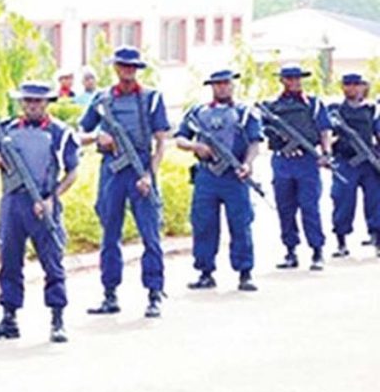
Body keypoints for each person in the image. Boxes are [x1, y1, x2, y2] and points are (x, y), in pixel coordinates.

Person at [0, 81, 80, 343]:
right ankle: (9, 318)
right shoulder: (5, 129)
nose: (32, 105)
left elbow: (72, 171)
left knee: (52, 262)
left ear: (47, 103)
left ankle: (57, 320)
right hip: (13, 202)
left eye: (37, 101)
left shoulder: (60, 133)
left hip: (44, 202)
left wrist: (52, 198)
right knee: (9, 261)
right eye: (28, 101)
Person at [78, 46, 170, 318]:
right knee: (109, 235)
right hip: (113, 171)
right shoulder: (101, 99)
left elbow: (162, 140)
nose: (128, 71)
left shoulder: (152, 98)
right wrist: (98, 138)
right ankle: (110, 294)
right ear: (116, 68)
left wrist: (148, 175)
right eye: (123, 66)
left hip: (140, 167)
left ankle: (154, 293)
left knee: (150, 235)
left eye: (132, 67)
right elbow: (79, 134)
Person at [175, 69, 263, 292]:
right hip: (207, 176)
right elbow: (180, 138)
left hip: (234, 176)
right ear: (211, 86)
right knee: (203, 224)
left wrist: (248, 163)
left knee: (241, 224)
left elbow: (255, 142)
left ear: (232, 85)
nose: (222, 87)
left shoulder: (245, 112)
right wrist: (196, 146)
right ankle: (205, 272)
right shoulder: (197, 112)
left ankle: (245, 273)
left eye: (226, 83)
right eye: (217, 84)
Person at [260, 64, 334, 271]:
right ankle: (290, 250)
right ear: (282, 81)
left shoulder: (313, 104)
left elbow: (324, 130)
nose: (294, 82)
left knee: (310, 207)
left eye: (297, 79)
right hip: (283, 160)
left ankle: (317, 251)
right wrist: (280, 139)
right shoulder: (272, 106)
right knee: (285, 207)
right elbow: (261, 129)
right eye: (289, 79)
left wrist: (325, 153)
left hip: (307, 160)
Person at [321, 73, 380, 257]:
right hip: (345, 161)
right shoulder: (335, 110)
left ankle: (377, 239)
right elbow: (326, 133)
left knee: (375, 202)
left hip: (369, 163)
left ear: (363, 87)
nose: (352, 88)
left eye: (356, 84)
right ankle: (341, 242)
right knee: (342, 201)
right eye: (348, 84)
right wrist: (327, 153)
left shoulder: (372, 110)